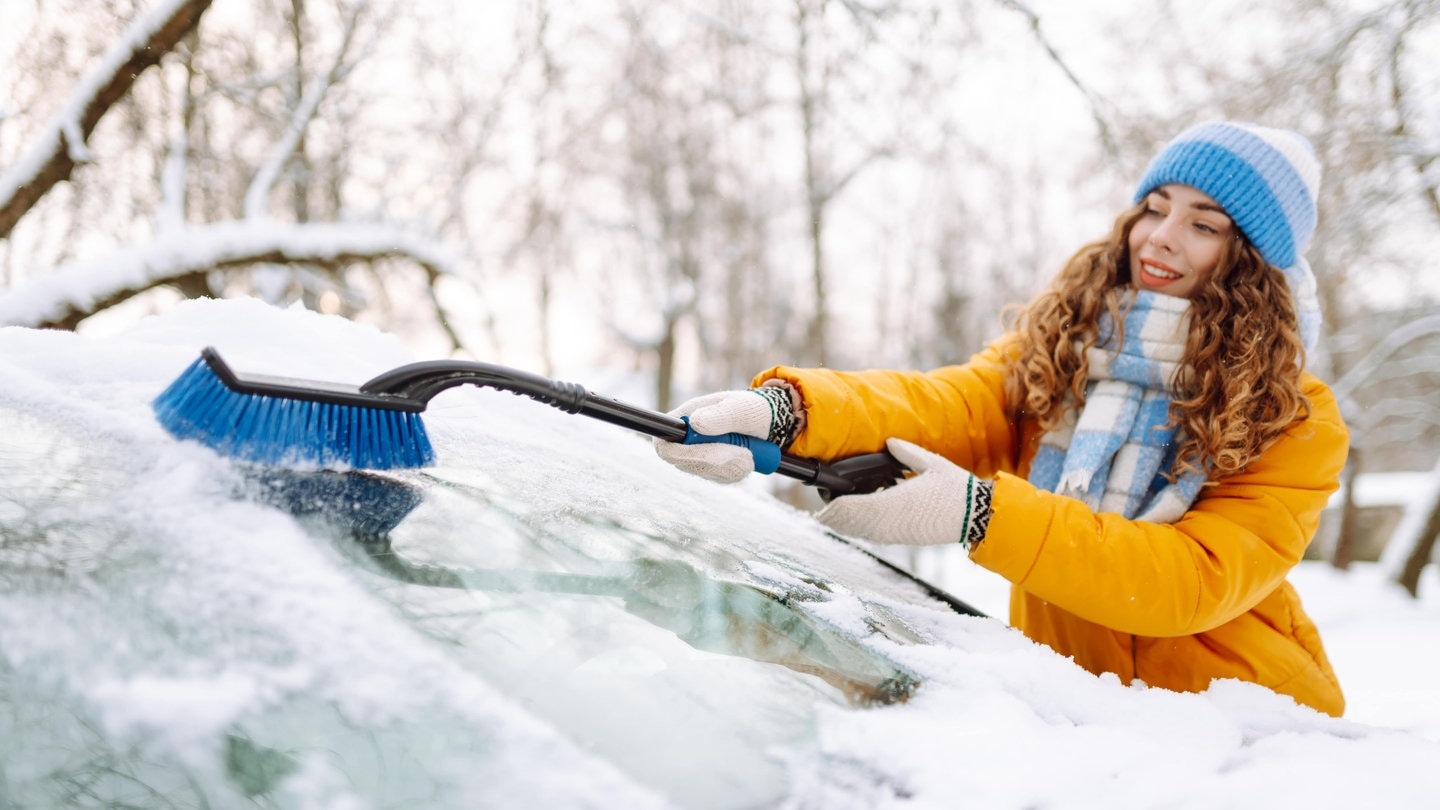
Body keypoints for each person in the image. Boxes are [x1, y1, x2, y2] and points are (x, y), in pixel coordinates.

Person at [655, 121, 1348, 717]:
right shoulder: (1062, 350)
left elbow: (1191, 581)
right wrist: (787, 413)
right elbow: (945, 405)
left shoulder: (1292, 415)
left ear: (1254, 260)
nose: (1160, 239)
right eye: (1154, 208)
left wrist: (982, 515)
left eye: (1204, 225)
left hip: (1244, 731)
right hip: (1080, 710)